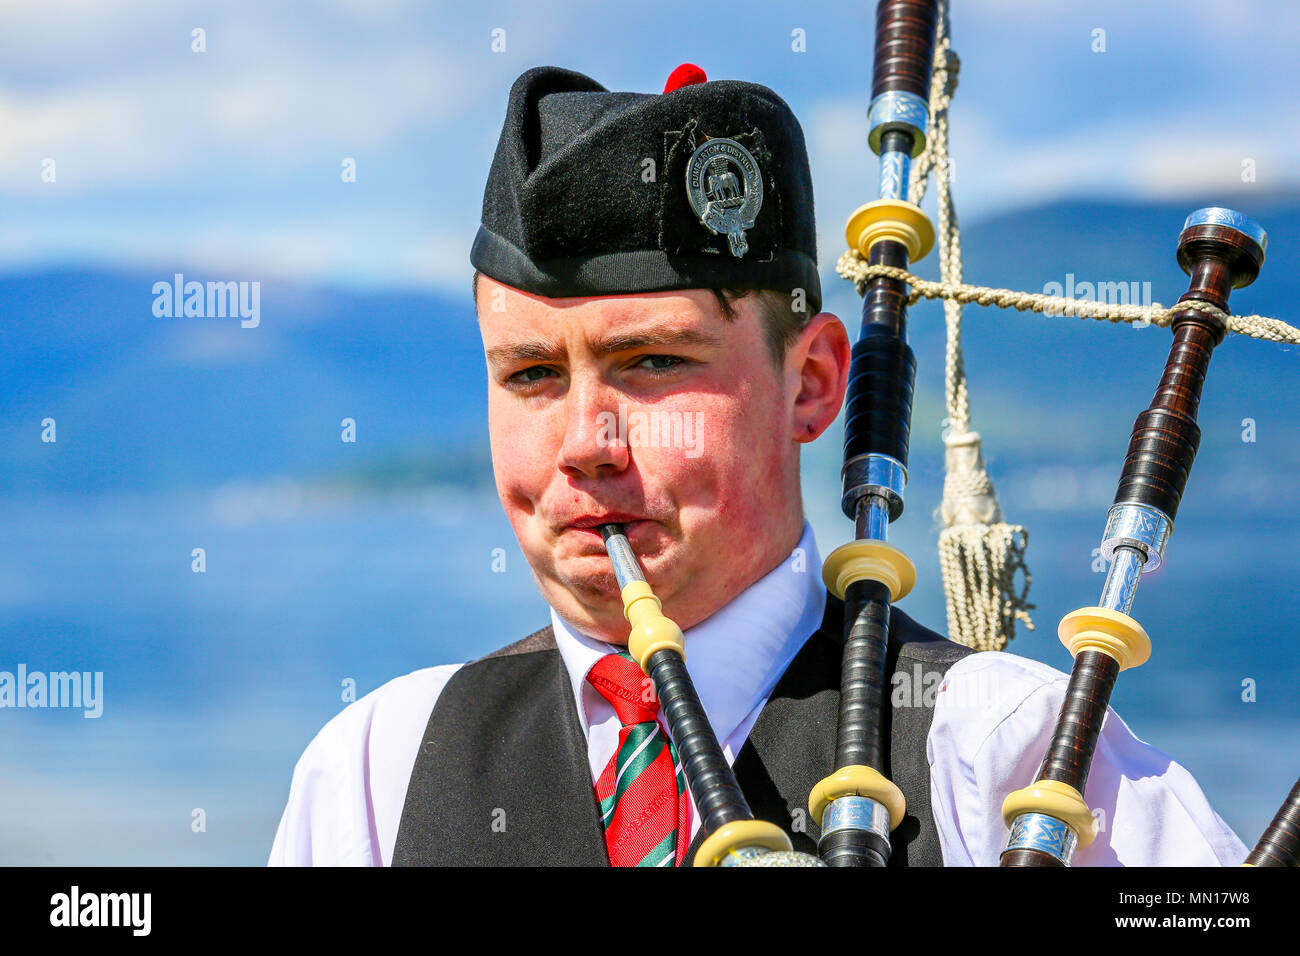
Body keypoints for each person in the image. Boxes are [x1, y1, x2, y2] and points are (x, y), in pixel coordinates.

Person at [268, 64, 1245, 867]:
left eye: (653, 361)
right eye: (529, 372)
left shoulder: (1000, 751)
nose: (580, 444)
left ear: (814, 382)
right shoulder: (378, 769)